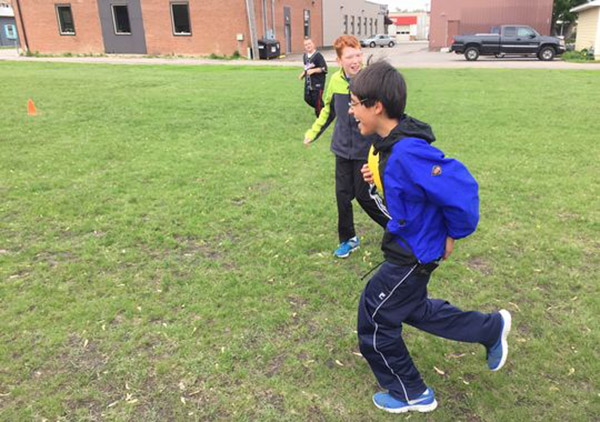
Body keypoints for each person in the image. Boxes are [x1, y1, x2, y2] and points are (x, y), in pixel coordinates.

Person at [348, 61, 512, 413]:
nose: (351, 110)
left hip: (413, 253)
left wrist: (453, 233)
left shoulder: (408, 151)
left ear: (376, 106)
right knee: (416, 310)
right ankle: (490, 328)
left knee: (375, 315)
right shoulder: (387, 145)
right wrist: (378, 177)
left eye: (354, 102)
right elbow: (407, 191)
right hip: (411, 247)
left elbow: (460, 188)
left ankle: (412, 392)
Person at [303, 35, 389, 259]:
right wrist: (313, 133)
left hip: (365, 151)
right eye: (350, 56)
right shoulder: (335, 81)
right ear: (339, 60)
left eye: (358, 54)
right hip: (341, 148)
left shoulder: (369, 80)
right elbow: (328, 110)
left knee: (365, 195)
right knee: (342, 196)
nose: (356, 60)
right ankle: (348, 239)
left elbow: (383, 115)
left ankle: (397, 229)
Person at [299, 38, 327, 117]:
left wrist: (314, 71)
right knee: (307, 99)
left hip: (318, 83)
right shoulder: (305, 56)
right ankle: (324, 110)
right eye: (306, 45)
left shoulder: (318, 56)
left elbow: (324, 68)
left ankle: (321, 118)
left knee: (317, 102)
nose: (308, 46)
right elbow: (307, 67)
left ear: (313, 44)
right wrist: (303, 74)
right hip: (308, 83)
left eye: (309, 44)